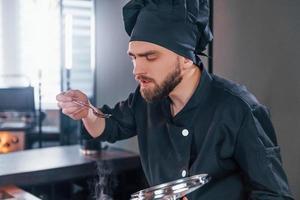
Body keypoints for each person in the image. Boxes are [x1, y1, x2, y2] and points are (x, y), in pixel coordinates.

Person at [56, 0, 294, 199]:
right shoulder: (145, 99)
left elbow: (274, 195)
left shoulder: (239, 109)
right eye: (134, 58)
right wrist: (86, 112)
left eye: (150, 56)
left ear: (186, 58)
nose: (137, 70)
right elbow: (109, 125)